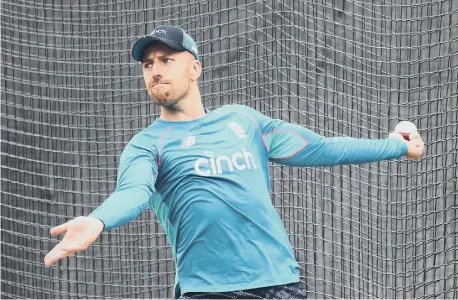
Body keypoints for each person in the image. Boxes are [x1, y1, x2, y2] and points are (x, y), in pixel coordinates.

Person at [44, 25, 425, 299]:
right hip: (209, 292)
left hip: (280, 286)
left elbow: (320, 147)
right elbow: (133, 193)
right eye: (147, 64)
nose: (155, 69)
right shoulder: (147, 146)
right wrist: (97, 219)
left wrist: (395, 146)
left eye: (166, 59)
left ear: (194, 68)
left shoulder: (243, 121)